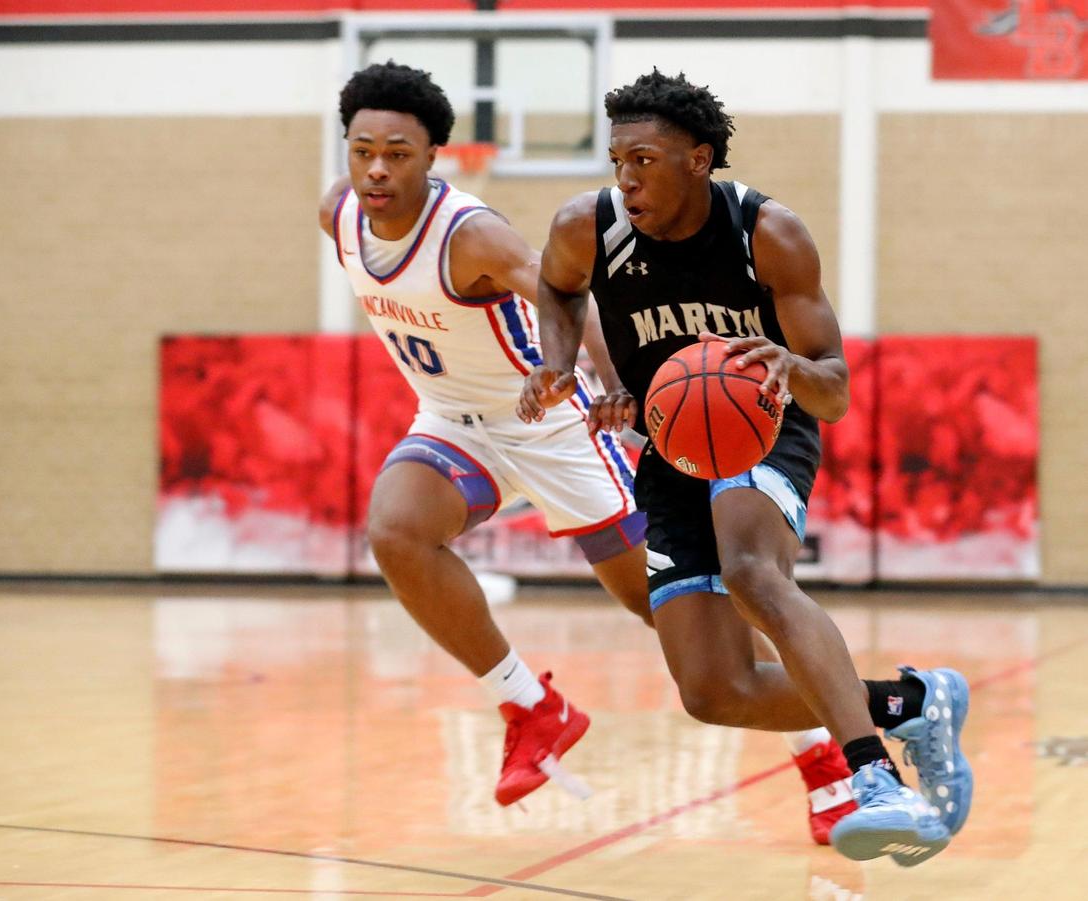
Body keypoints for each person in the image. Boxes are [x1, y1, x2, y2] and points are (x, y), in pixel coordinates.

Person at [321, 62, 856, 839]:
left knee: (678, 613)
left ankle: (823, 751)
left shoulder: (471, 232)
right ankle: (531, 707)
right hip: (451, 418)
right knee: (395, 531)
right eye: (362, 148)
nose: (375, 167)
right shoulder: (337, 216)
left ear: (433, 154)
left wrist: (607, 384)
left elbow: (571, 293)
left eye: (396, 152)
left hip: (552, 425)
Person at [519, 69, 973, 865]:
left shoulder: (767, 233)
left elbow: (833, 391)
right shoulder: (587, 228)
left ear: (699, 159)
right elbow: (557, 292)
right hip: (672, 444)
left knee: (753, 571)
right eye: (618, 160)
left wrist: (790, 369)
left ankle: (875, 778)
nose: (626, 178)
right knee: (713, 691)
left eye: (646, 160)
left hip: (768, 423)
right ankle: (912, 702)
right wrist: (573, 368)